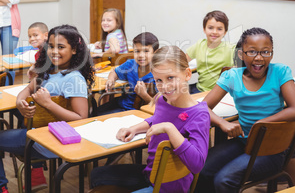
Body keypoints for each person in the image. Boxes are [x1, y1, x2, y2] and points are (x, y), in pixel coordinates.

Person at [0, 25, 94, 193]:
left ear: (75, 50)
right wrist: (20, 101)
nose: (54, 51)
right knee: (17, 114)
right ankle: (36, 172)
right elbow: (27, 89)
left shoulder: (74, 79)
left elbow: (81, 119)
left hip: (50, 140)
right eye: (51, 46)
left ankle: (0, 189)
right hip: (40, 134)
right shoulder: (49, 71)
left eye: (61, 47)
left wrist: (48, 104)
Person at [195, 27, 295, 193]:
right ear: (241, 54)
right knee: (201, 169)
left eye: (265, 52)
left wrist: (262, 123)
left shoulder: (280, 72)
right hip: (244, 141)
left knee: (224, 180)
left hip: (273, 149)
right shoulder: (231, 76)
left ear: (272, 54)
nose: (259, 58)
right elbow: (202, 108)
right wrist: (223, 123)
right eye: (252, 52)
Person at [90, 46, 210, 193]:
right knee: (96, 175)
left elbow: (197, 164)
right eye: (158, 80)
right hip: (151, 173)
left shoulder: (200, 115)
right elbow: (157, 119)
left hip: (171, 186)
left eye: (170, 78)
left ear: (187, 74)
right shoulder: (162, 99)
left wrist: (169, 128)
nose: (164, 86)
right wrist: (134, 128)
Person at [97, 32, 159, 115]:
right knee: (95, 111)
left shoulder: (159, 75)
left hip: (136, 111)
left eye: (146, 51)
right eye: (137, 51)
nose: (140, 55)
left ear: (155, 53)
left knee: (99, 116)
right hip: (123, 103)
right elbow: (114, 72)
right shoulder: (131, 64)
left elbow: (160, 107)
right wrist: (110, 79)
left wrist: (144, 95)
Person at [186, 10, 235, 94]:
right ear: (204, 29)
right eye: (210, 28)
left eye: (219, 29)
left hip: (221, 92)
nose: (214, 32)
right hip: (200, 89)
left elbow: (241, 70)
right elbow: (181, 61)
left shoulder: (232, 48)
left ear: (225, 32)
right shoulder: (199, 45)